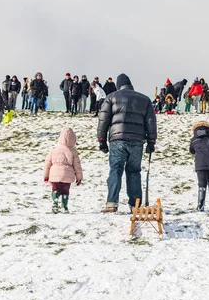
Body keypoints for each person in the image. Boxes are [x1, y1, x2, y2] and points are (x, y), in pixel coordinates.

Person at [97, 74, 157, 213]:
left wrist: (101, 139)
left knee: (115, 170)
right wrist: (151, 141)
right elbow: (151, 122)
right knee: (134, 172)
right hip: (137, 141)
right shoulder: (144, 99)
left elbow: (103, 120)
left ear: (119, 85)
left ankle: (112, 203)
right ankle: (135, 204)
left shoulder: (111, 97)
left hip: (117, 140)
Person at [43, 127, 83, 213]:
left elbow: (47, 164)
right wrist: (79, 177)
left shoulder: (53, 150)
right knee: (65, 190)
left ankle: (55, 203)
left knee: (55, 189)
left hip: (54, 174)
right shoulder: (72, 152)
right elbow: (77, 166)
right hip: (67, 175)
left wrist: (46, 176)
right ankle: (64, 206)